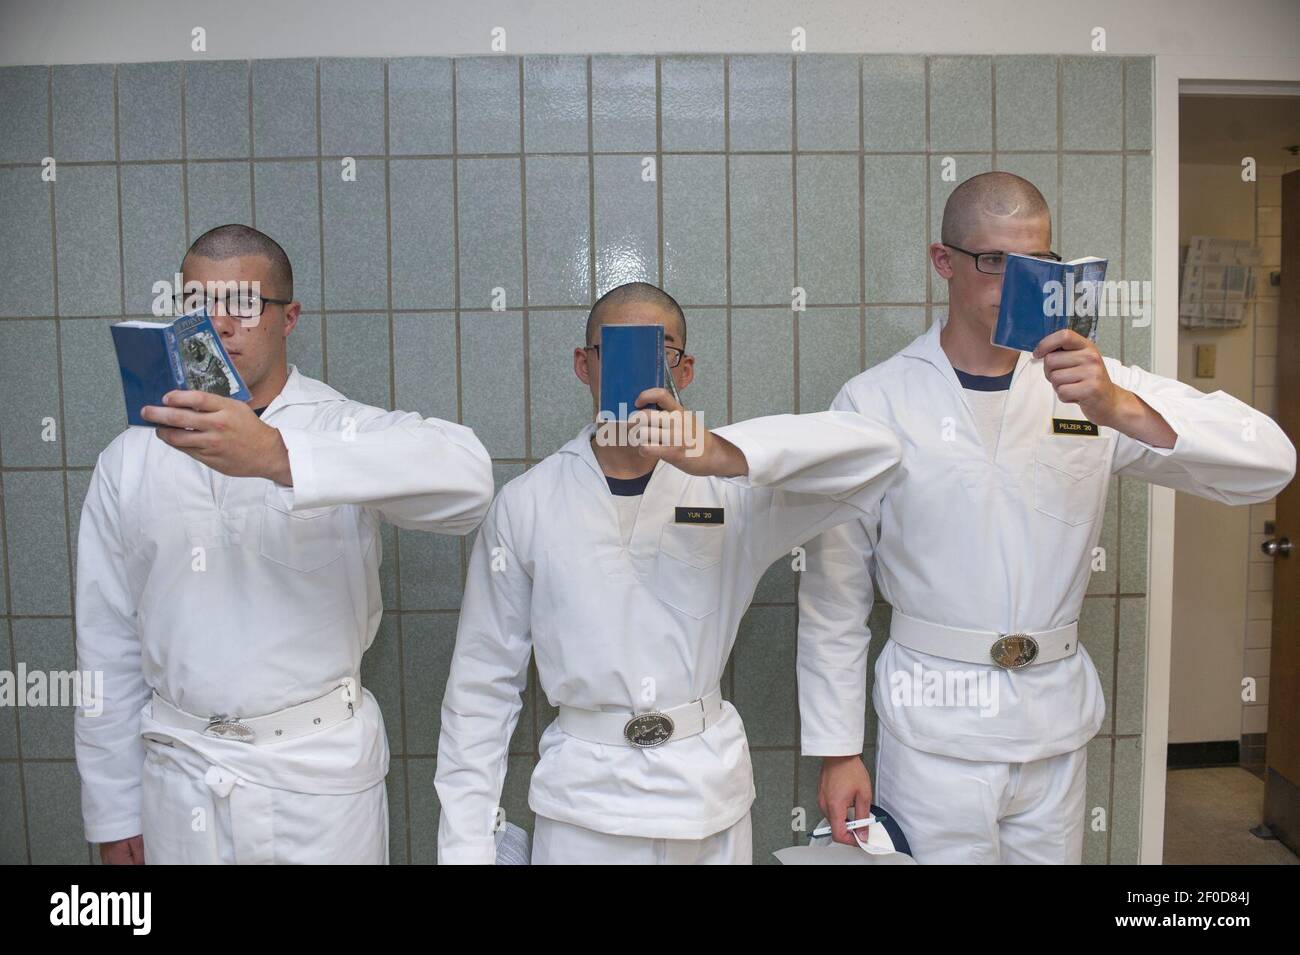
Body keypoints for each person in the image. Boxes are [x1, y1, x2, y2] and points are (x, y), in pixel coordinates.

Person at [796, 171, 1296, 864]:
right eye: (992, 260)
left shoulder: (1095, 387)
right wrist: (838, 750)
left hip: (1055, 729)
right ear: (944, 263)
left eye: (1034, 262)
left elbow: (1269, 463)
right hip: (932, 733)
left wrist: (1119, 406)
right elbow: (834, 594)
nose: (1013, 282)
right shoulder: (875, 400)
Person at [434, 282, 902, 864]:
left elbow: (880, 454)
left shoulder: (734, 492)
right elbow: (482, 686)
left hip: (707, 803)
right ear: (584, 365)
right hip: (583, 808)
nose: (643, 371)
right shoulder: (527, 504)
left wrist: (720, 453)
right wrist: (463, 847)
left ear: (685, 368)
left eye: (663, 351)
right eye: (618, 350)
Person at [75, 223, 495, 864]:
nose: (220, 325)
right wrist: (111, 810)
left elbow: (468, 482)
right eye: (198, 305)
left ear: (288, 317)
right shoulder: (128, 460)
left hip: (318, 784)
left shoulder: (337, 425)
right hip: (177, 779)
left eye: (244, 304)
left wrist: (277, 456)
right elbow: (105, 647)